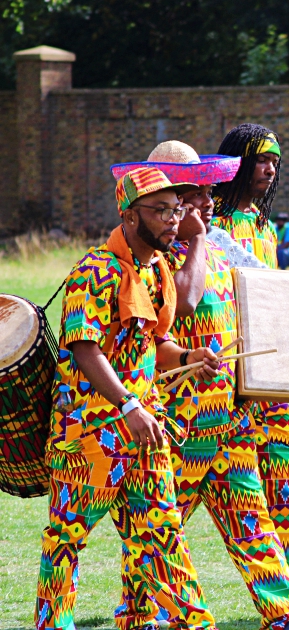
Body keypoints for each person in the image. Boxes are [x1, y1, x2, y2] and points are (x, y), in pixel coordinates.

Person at [111, 142, 289, 630]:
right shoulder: (153, 252)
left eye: (206, 191)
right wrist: (195, 240)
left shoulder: (216, 242)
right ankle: (137, 613)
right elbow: (187, 305)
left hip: (228, 409)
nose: (205, 200)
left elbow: (259, 293)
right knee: (156, 522)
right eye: (192, 194)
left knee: (247, 510)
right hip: (177, 417)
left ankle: (282, 613)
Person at [36, 167, 223, 630]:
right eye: (160, 211)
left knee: (162, 536)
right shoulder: (94, 271)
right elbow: (84, 348)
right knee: (66, 539)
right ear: (130, 215)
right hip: (90, 437)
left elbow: (152, 345)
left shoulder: (158, 270)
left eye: (176, 210)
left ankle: (193, 625)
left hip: (145, 432)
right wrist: (128, 405)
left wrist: (186, 355)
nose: (173, 220)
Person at [211, 124, 289, 620]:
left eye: (275, 161)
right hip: (226, 377)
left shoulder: (266, 227)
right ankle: (147, 586)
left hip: (270, 378)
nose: (270, 169)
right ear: (237, 161)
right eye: (261, 159)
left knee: (283, 482)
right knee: (203, 488)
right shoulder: (211, 221)